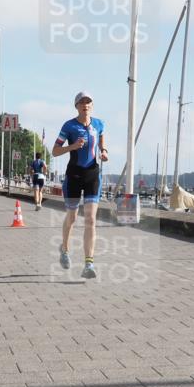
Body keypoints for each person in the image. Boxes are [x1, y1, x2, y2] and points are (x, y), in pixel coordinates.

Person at [51, 91, 107, 279]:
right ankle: (65, 249)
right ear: (76, 106)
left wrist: (104, 150)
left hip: (92, 173)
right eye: (82, 102)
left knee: (90, 219)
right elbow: (55, 151)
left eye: (88, 102)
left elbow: (101, 137)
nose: (85, 105)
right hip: (74, 174)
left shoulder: (98, 123)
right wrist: (72, 147)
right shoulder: (69, 126)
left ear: (92, 105)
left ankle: (88, 263)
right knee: (72, 217)